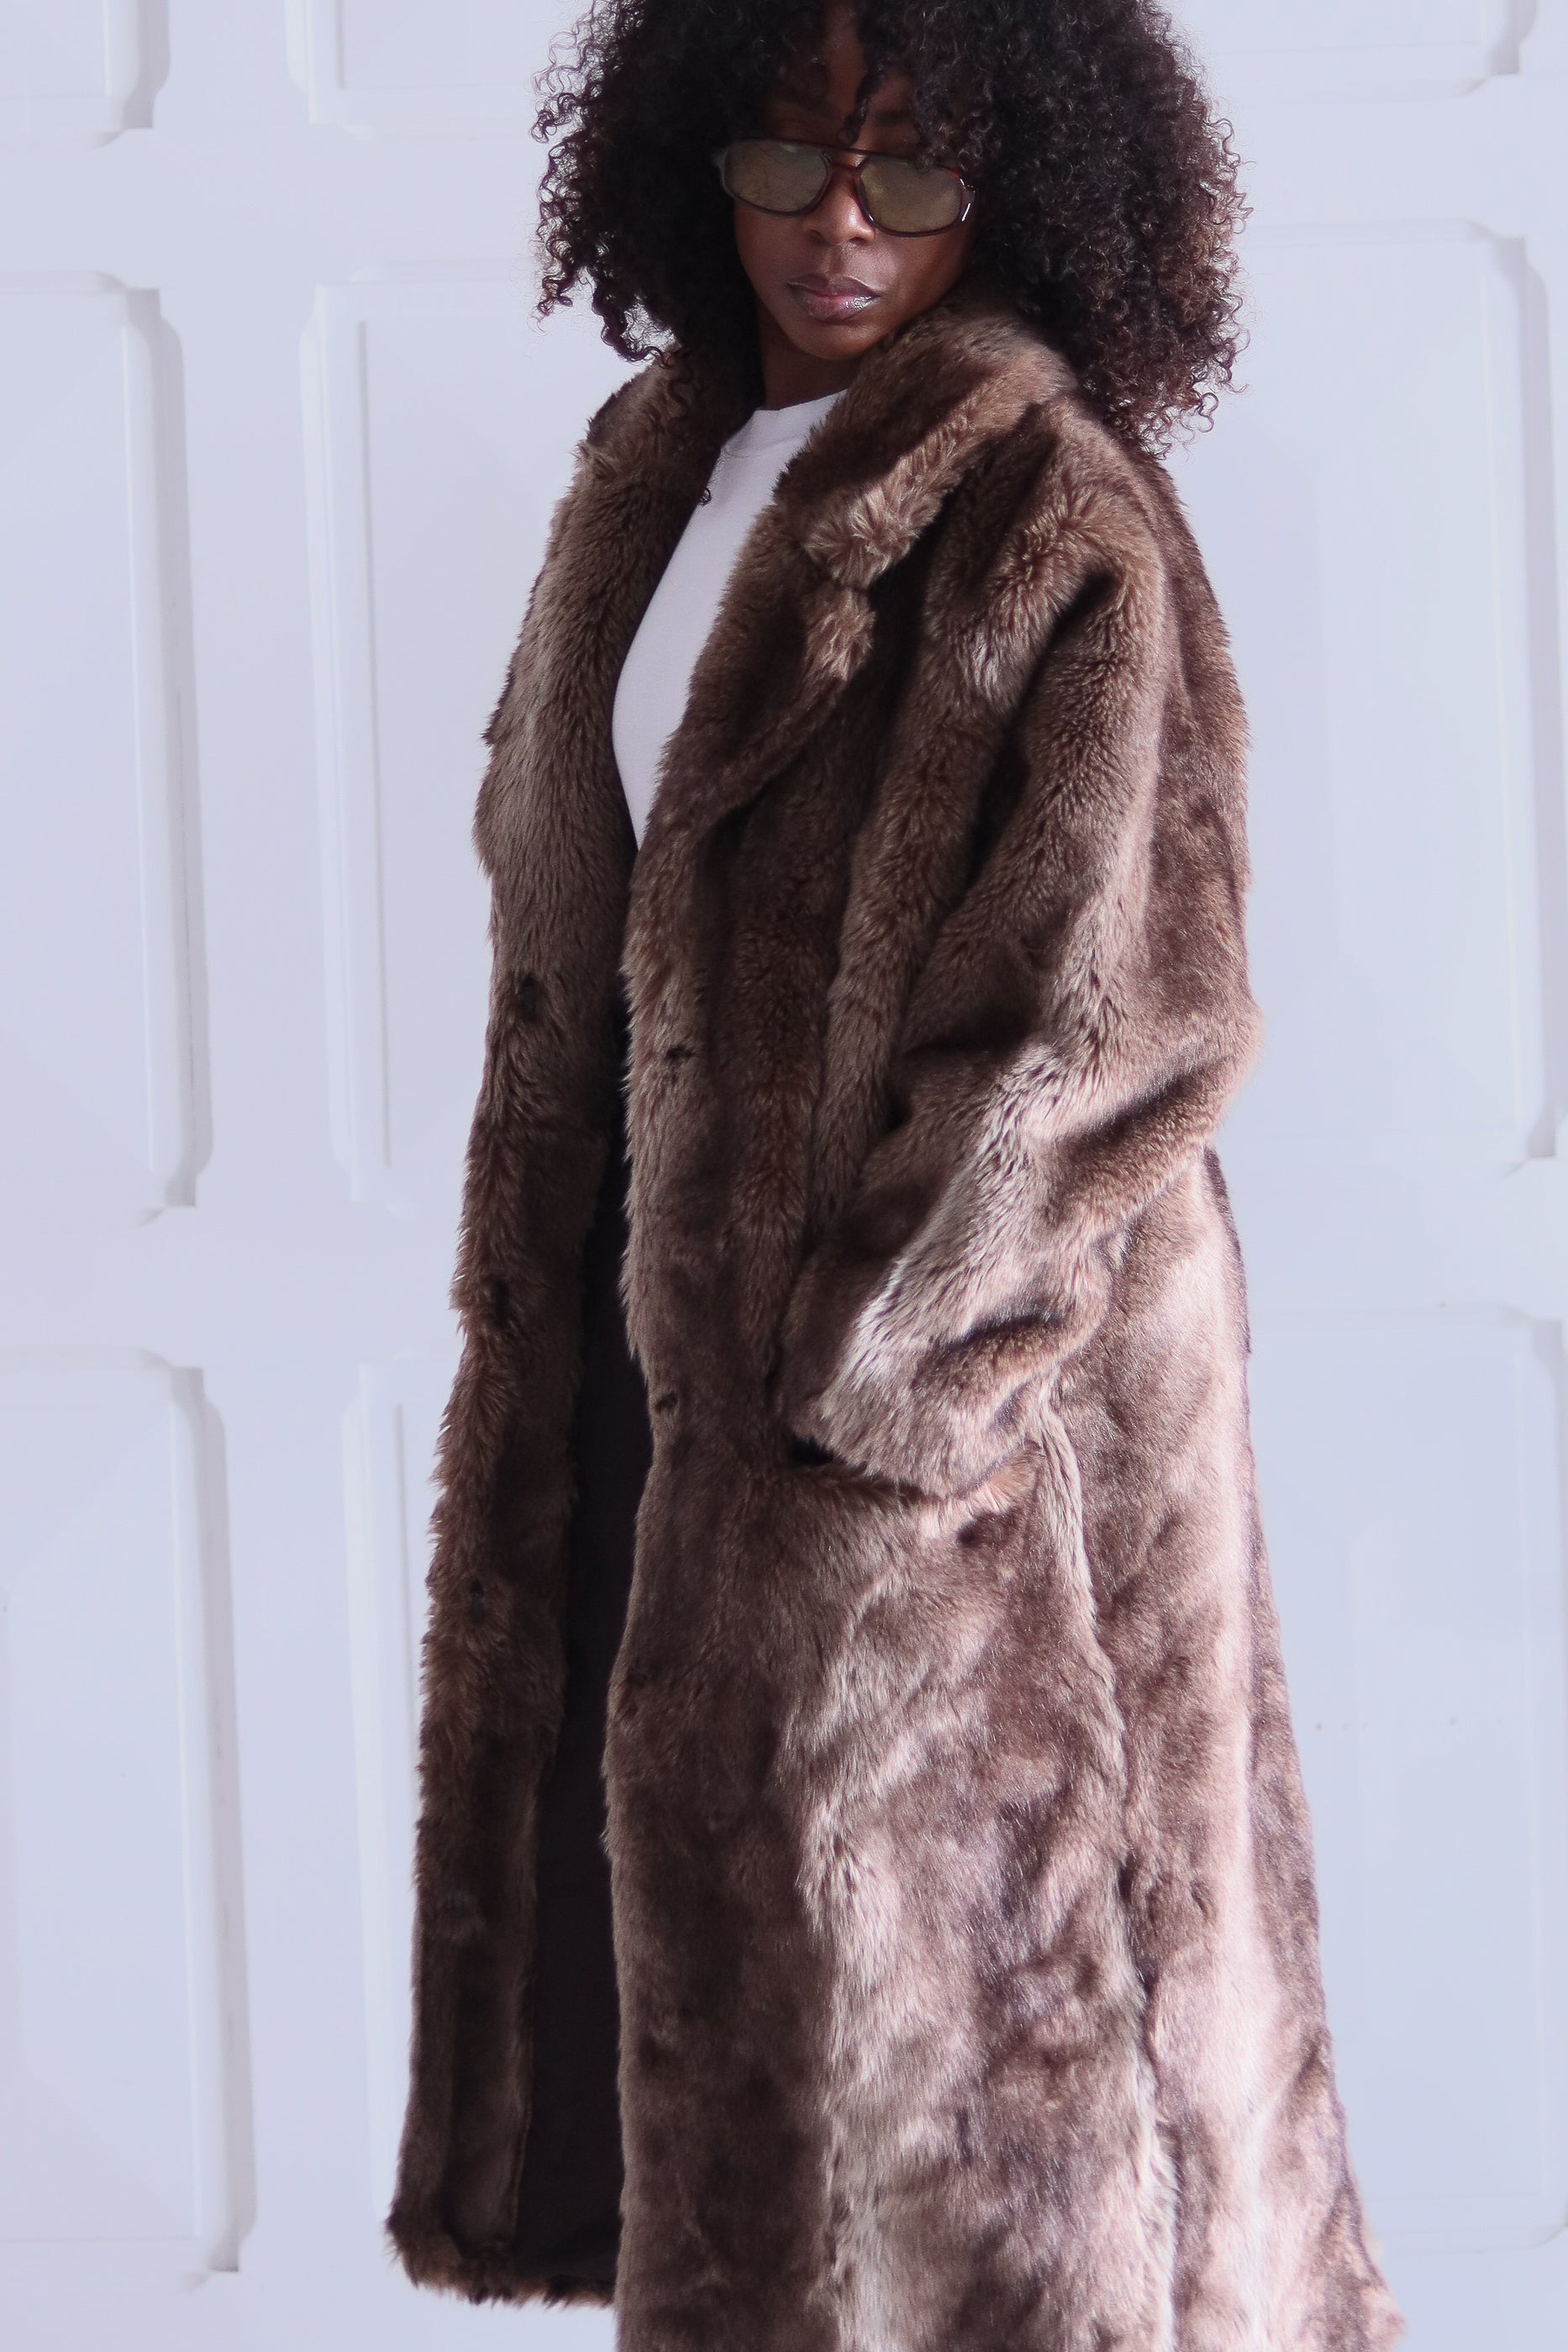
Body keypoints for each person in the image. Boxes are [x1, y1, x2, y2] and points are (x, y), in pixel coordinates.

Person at [388, 1, 1406, 2344]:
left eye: (913, 173)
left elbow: (1116, 1021)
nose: (839, 226)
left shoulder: (1049, 510)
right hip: (665, 1354)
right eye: (787, 157)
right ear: (690, 160)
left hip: (960, 1446)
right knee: (737, 2049)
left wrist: (890, 1404)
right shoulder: (653, 475)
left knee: (1001, 2104)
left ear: (1022, 188)